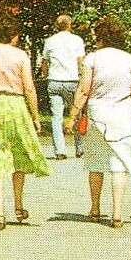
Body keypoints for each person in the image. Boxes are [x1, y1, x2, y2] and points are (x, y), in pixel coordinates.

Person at [65, 16, 131, 228]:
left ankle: (95, 209)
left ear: (100, 37)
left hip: (97, 114)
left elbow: (84, 89)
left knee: (96, 163)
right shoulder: (130, 60)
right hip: (122, 114)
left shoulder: (92, 59)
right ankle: (117, 213)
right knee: (119, 164)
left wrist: (73, 116)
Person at [0, 18, 50, 229]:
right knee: (20, 155)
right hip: (16, 105)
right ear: (13, 35)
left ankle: (0, 212)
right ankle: (18, 205)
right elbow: (29, 87)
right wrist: (35, 116)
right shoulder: (20, 56)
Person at [38, 14, 85, 160]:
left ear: (56, 26)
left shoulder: (50, 41)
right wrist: (83, 76)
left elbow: (45, 62)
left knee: (56, 117)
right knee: (76, 114)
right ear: (70, 25)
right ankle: (80, 148)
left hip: (55, 81)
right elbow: (80, 61)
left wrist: (45, 75)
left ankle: (60, 151)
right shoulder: (77, 40)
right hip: (72, 81)